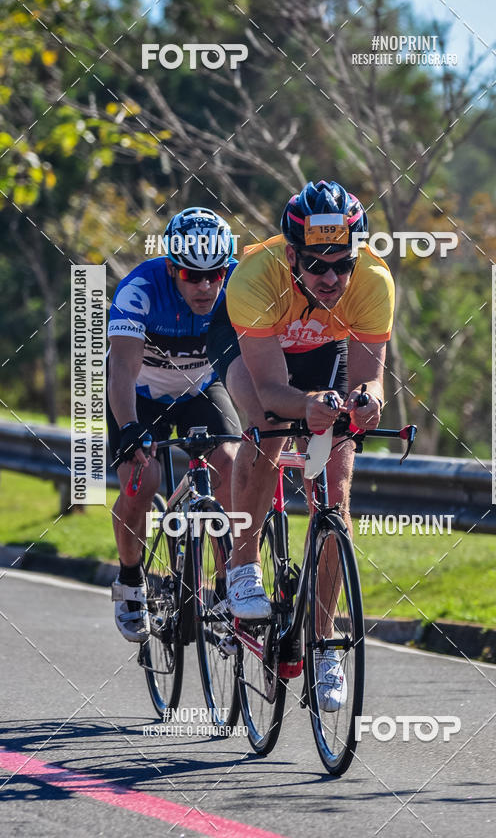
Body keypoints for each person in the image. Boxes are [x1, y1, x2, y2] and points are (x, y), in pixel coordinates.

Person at [206, 180, 394, 710]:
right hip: (257, 351)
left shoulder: (374, 282)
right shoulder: (255, 276)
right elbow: (268, 389)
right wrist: (303, 408)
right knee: (266, 425)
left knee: (336, 489)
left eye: (343, 263)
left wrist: (366, 402)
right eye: (317, 264)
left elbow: (372, 380)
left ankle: (326, 641)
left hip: (321, 350)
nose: (332, 277)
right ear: (292, 255)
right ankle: (243, 567)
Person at [107, 207, 241, 642]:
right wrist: (129, 429)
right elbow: (122, 370)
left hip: (200, 387)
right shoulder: (140, 289)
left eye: (214, 274)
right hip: (140, 395)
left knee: (231, 465)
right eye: (191, 276)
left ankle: (224, 591)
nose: (204, 287)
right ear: (171, 268)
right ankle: (130, 582)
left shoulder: (241, 287)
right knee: (143, 481)